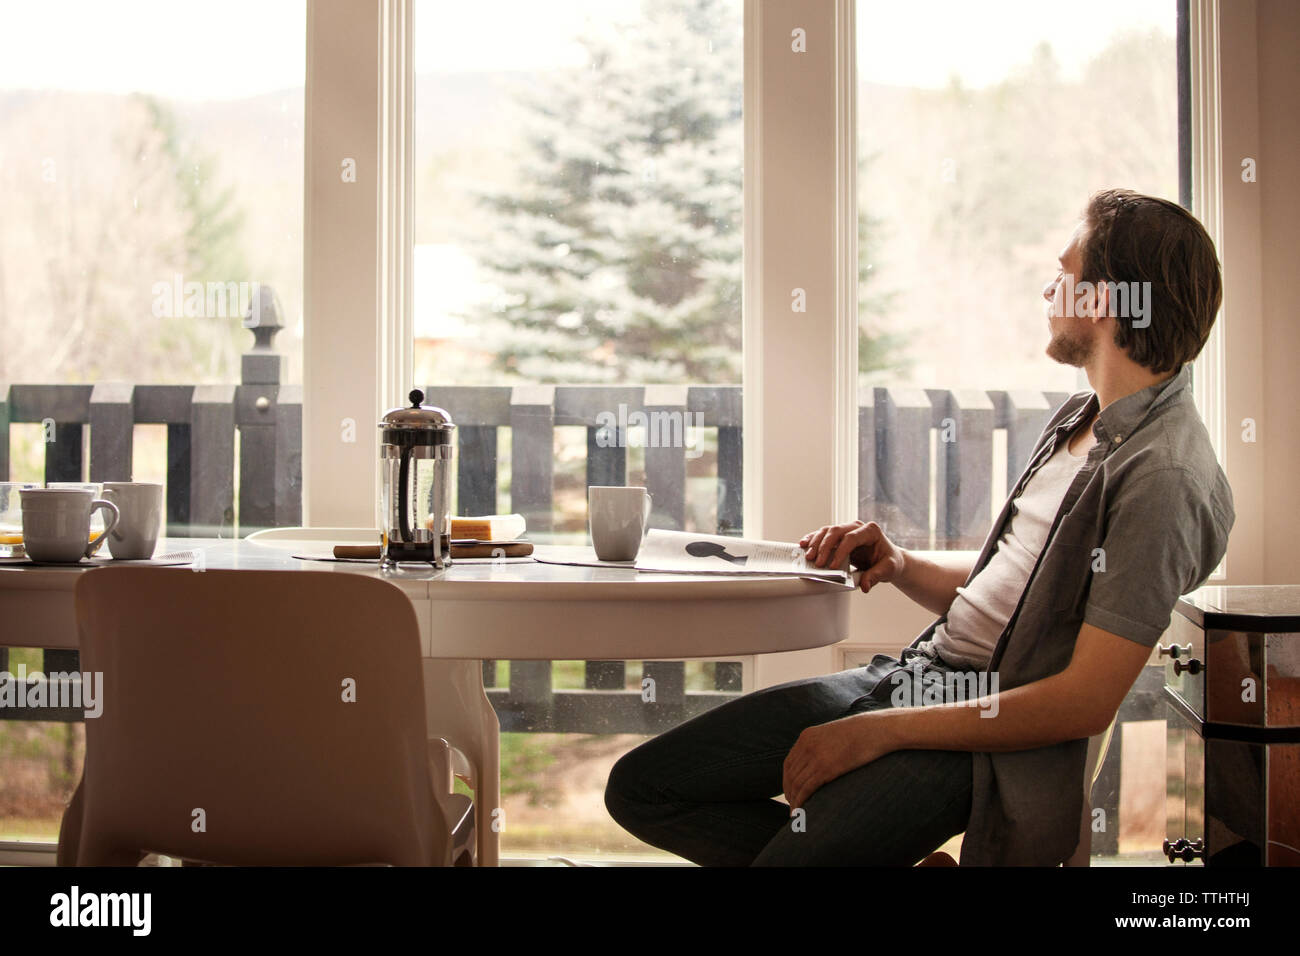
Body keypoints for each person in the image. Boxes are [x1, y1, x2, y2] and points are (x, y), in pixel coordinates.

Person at [604, 189, 1235, 865]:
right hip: (919, 678)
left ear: (1105, 300)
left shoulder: (1164, 477)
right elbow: (1018, 591)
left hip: (979, 735)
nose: (1049, 289)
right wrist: (900, 563)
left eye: (1063, 273)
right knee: (643, 788)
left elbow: (1084, 701)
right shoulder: (1082, 419)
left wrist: (884, 733)